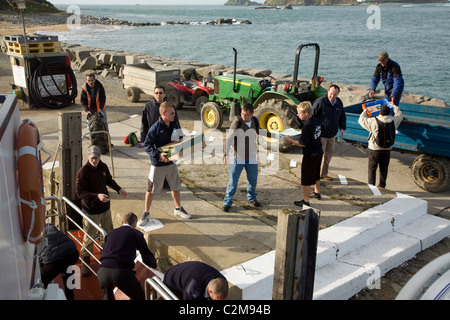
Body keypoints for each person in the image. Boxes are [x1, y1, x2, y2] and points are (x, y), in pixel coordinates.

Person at [75, 145, 128, 277]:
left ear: (99, 158)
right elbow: (80, 193)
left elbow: (109, 180)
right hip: (90, 211)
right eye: (92, 158)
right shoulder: (83, 172)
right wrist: (97, 196)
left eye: (96, 158)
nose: (94, 160)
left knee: (109, 234)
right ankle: (86, 263)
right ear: (88, 157)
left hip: (105, 209)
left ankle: (107, 257)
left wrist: (119, 189)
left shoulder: (103, 167)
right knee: (89, 238)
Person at [138, 101, 191, 226]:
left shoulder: (175, 124)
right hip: (158, 164)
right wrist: (158, 155)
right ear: (164, 114)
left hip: (171, 162)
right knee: (151, 189)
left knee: (176, 186)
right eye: (172, 113)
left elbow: (180, 138)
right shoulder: (155, 128)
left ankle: (178, 209)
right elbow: (147, 145)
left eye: (174, 113)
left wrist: (184, 143)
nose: (174, 115)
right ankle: (146, 213)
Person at [222, 103, 276, 212]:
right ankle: (227, 202)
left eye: (246, 115)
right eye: (242, 114)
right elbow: (229, 139)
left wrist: (276, 135)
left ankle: (252, 198)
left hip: (251, 157)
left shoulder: (255, 121)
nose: (244, 117)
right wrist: (225, 154)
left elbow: (261, 131)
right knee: (233, 182)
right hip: (238, 158)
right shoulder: (237, 122)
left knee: (253, 180)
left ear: (252, 113)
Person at [98, 212, 159, 300]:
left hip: (103, 272)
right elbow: (145, 254)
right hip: (120, 272)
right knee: (139, 296)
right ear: (134, 223)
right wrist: (155, 266)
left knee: (108, 297)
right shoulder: (136, 233)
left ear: (122, 223)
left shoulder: (110, 233)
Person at [284, 102, 323, 207]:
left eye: (300, 113)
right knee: (316, 174)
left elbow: (302, 143)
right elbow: (312, 133)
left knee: (306, 179)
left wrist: (290, 140)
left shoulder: (307, 125)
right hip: (319, 151)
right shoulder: (315, 120)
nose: (298, 115)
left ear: (306, 113)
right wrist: (302, 131)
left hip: (310, 155)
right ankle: (317, 192)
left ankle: (306, 200)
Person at [358, 104, 403, 188]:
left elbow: (361, 120)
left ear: (380, 113)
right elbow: (400, 115)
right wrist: (394, 106)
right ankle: (382, 186)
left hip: (375, 149)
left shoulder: (373, 121)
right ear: (389, 113)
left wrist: (366, 110)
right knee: (384, 168)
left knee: (372, 168)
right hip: (387, 149)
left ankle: (371, 186)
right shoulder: (394, 120)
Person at [312, 84, 346, 181]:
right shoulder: (320, 102)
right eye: (331, 94)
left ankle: (323, 174)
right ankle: (315, 175)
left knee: (329, 154)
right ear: (328, 92)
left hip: (332, 134)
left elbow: (342, 115)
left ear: (338, 94)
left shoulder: (339, 102)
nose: (332, 96)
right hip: (321, 134)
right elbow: (312, 116)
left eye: (335, 95)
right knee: (318, 155)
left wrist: (342, 127)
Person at [39, 223, 79, 300]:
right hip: (73, 253)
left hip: (55, 261)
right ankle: (70, 297)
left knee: (41, 282)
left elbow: (39, 256)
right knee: (67, 273)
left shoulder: (34, 236)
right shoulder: (50, 226)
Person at [163, 261, 228, 300]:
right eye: (216, 299)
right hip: (172, 280)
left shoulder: (223, 280)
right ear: (209, 291)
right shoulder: (193, 289)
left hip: (191, 273)